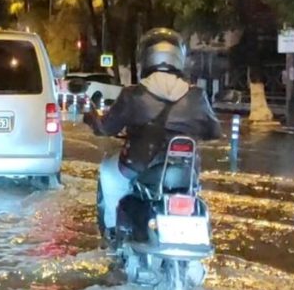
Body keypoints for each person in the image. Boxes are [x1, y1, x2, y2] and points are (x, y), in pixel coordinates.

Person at [85, 28, 223, 239]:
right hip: (185, 171)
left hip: (139, 164)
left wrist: (92, 119)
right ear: (179, 57)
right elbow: (215, 131)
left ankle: (112, 231)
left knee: (108, 171)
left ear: (146, 57)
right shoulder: (197, 95)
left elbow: (106, 127)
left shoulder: (134, 94)